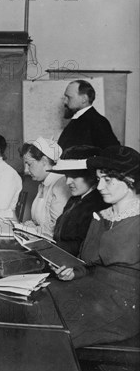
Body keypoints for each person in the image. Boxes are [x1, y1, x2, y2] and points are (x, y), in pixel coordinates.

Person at [51, 145, 140, 348]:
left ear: (130, 181)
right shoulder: (101, 215)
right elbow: (88, 264)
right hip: (91, 289)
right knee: (41, 304)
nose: (99, 187)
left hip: (124, 304)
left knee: (55, 333)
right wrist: (75, 273)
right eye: (99, 179)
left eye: (107, 180)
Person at [50, 145, 108, 256]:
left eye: (74, 177)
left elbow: (86, 247)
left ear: (92, 176)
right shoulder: (74, 200)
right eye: (66, 176)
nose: (67, 182)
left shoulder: (99, 205)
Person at [20, 137, 70, 236]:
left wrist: (35, 229)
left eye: (29, 164)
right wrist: (32, 224)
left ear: (44, 161)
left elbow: (57, 228)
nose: (27, 169)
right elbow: (41, 220)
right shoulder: (43, 184)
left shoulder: (60, 184)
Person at [57, 80, 119, 150]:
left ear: (84, 99)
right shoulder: (78, 119)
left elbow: (113, 153)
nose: (65, 101)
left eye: (69, 97)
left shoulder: (98, 122)